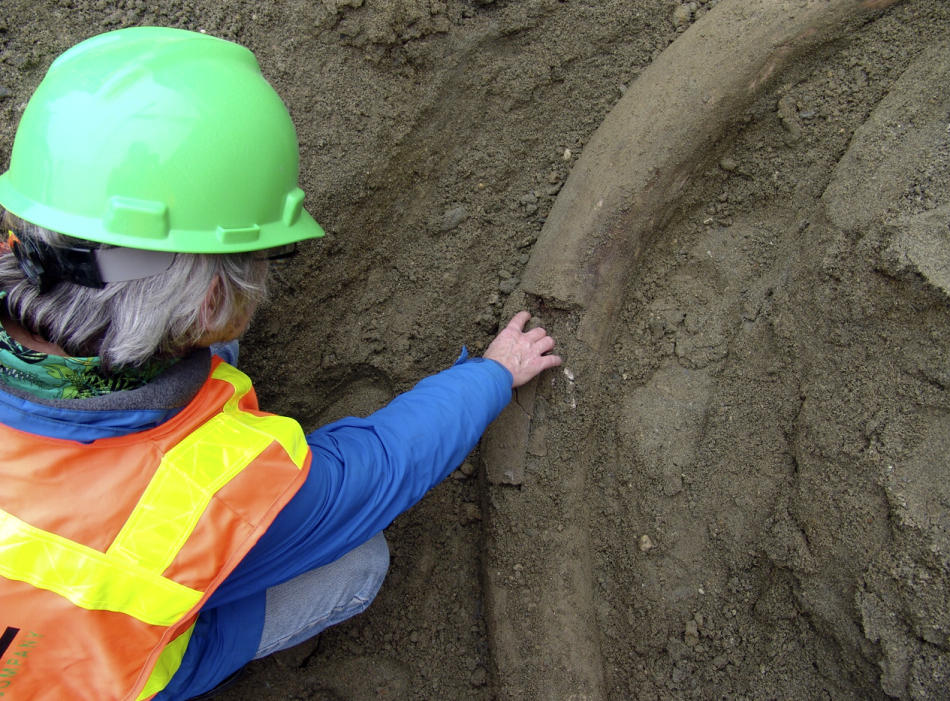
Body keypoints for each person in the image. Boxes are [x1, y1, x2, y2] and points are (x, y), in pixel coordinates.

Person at [0, 26, 561, 701]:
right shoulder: (208, 498)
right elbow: (375, 468)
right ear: (210, 297)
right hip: (74, 674)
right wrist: (492, 373)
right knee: (358, 560)